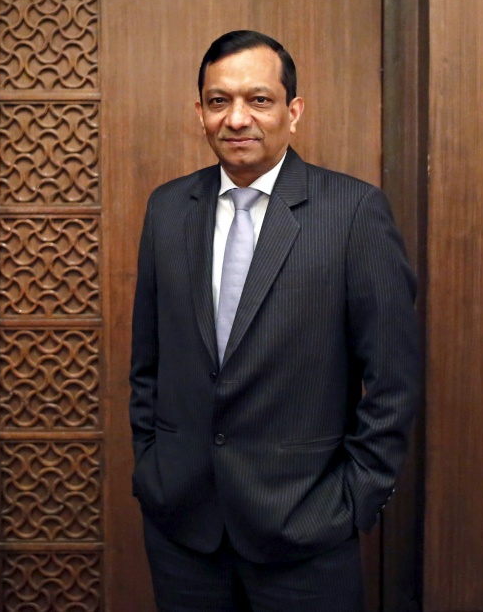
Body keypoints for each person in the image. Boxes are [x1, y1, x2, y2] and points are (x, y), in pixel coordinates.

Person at [129, 30, 422, 611]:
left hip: (306, 534)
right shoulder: (167, 210)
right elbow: (149, 363)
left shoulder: (353, 212)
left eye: (258, 100)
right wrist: (151, 469)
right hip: (184, 531)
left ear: (294, 111)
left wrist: (354, 501)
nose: (237, 119)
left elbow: (393, 380)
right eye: (219, 101)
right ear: (200, 113)